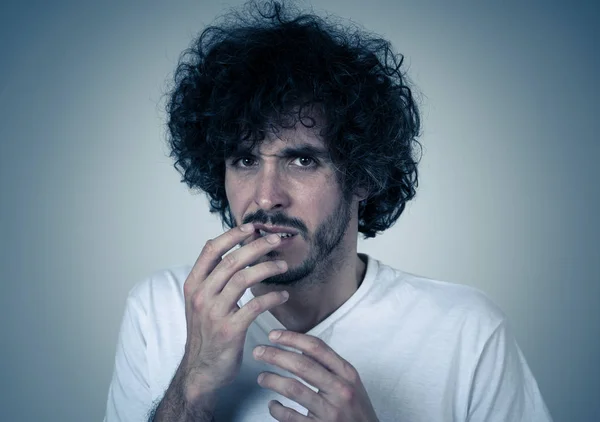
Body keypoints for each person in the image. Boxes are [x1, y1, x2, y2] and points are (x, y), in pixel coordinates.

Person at [104, 1, 553, 421]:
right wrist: (192, 384)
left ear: (363, 175)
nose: (265, 197)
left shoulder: (466, 330)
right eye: (244, 160)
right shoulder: (161, 306)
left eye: (302, 160)